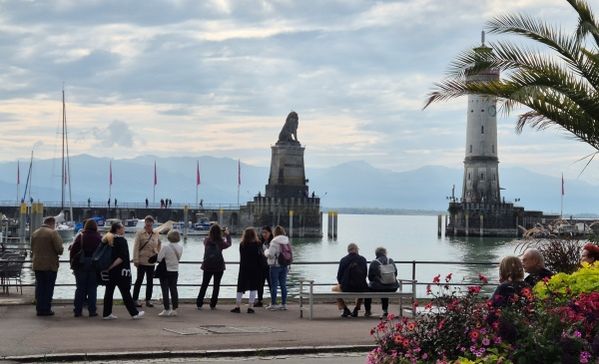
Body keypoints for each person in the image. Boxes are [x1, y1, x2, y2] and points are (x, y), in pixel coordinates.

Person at [102, 222, 144, 320]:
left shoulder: (108, 239)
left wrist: (108, 268)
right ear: (118, 229)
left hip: (110, 272)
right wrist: (112, 266)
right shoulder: (122, 241)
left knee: (108, 292)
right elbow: (121, 257)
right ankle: (134, 313)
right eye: (122, 227)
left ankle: (106, 313)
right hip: (121, 271)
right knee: (126, 293)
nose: (124, 229)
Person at [31, 216, 64, 316]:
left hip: (37, 264)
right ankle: (46, 309)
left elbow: (32, 247)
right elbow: (59, 250)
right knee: (48, 288)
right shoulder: (53, 233)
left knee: (40, 287)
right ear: (52, 223)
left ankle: (39, 308)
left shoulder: (35, 233)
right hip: (50, 265)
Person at [70, 219, 102, 317]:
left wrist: (72, 264)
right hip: (94, 265)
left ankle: (77, 311)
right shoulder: (99, 237)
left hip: (81, 264)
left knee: (80, 288)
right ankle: (92, 311)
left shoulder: (81, 236)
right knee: (92, 288)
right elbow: (103, 252)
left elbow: (73, 251)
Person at [196, 224, 232, 309]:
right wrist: (227, 235)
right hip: (219, 266)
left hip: (207, 265)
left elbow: (205, 241)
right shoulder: (221, 242)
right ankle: (213, 304)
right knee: (216, 285)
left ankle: (199, 303)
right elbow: (229, 244)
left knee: (204, 284)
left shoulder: (207, 241)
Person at [132, 215, 161, 308]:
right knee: (139, 280)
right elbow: (136, 247)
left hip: (151, 261)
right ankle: (135, 299)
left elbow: (159, 243)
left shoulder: (156, 233)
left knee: (150, 281)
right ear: (145, 222)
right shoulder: (140, 233)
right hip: (141, 260)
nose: (149, 223)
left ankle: (148, 299)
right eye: (147, 221)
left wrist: (157, 253)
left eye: (150, 222)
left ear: (153, 223)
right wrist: (135, 259)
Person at [231, 227, 262, 314]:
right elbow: (260, 256)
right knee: (253, 287)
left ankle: (237, 306)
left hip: (244, 267)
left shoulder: (242, 244)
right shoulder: (258, 244)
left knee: (240, 287)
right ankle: (250, 307)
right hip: (255, 268)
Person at [333, 243, 368, 317]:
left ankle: (344, 309)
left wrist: (342, 283)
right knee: (362, 287)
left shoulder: (343, 260)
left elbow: (339, 276)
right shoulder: (362, 259)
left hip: (346, 287)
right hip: (360, 287)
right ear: (356, 249)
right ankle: (356, 309)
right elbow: (365, 274)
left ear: (348, 250)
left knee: (334, 289)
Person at [364, 247, 399, 318]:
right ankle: (385, 310)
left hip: (378, 288)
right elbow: (396, 274)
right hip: (393, 287)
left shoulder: (374, 262)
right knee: (386, 288)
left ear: (376, 254)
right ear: (385, 253)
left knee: (368, 290)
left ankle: (368, 311)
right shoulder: (391, 260)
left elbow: (370, 277)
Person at [157, 229, 183, 317]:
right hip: (175, 270)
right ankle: (175, 309)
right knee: (174, 290)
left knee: (165, 290)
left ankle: (166, 309)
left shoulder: (165, 247)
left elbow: (159, 259)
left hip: (166, 271)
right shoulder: (180, 247)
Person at [264, 225, 291, 310]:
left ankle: (274, 304)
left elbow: (270, 255)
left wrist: (265, 251)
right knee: (283, 285)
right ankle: (284, 304)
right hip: (284, 265)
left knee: (274, 286)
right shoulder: (286, 241)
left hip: (275, 265)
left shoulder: (274, 241)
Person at [255, 226, 273, 307]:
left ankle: (273, 300)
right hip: (261, 266)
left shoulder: (273, 242)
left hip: (270, 266)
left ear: (270, 233)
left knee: (271, 284)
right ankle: (260, 300)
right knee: (260, 284)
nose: (264, 234)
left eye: (266, 232)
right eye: (263, 232)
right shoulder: (259, 242)